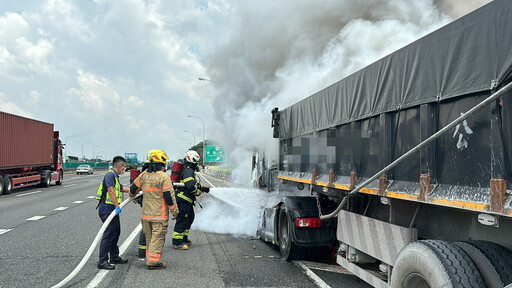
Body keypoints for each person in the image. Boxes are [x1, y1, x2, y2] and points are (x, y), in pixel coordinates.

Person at [130, 149, 179, 269]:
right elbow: (169, 196)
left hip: (146, 215)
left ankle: (150, 258)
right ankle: (152, 262)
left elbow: (132, 191)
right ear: (161, 163)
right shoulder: (163, 177)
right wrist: (175, 212)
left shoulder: (143, 175)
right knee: (157, 239)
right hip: (159, 216)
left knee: (149, 238)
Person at [96, 156, 131, 270]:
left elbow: (120, 188)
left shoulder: (115, 177)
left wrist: (136, 190)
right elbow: (111, 190)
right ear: (120, 166)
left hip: (112, 209)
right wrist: (117, 206)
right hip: (107, 209)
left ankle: (114, 257)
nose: (124, 169)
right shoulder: (110, 175)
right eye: (124, 167)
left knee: (116, 232)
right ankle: (102, 261)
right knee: (109, 233)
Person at [172, 150, 209, 250]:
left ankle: (183, 238)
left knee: (190, 218)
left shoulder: (187, 169)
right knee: (183, 220)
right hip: (183, 199)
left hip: (186, 200)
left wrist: (202, 187)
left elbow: (192, 183)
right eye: (196, 161)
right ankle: (177, 242)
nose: (197, 163)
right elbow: (190, 186)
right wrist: (197, 192)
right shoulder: (188, 170)